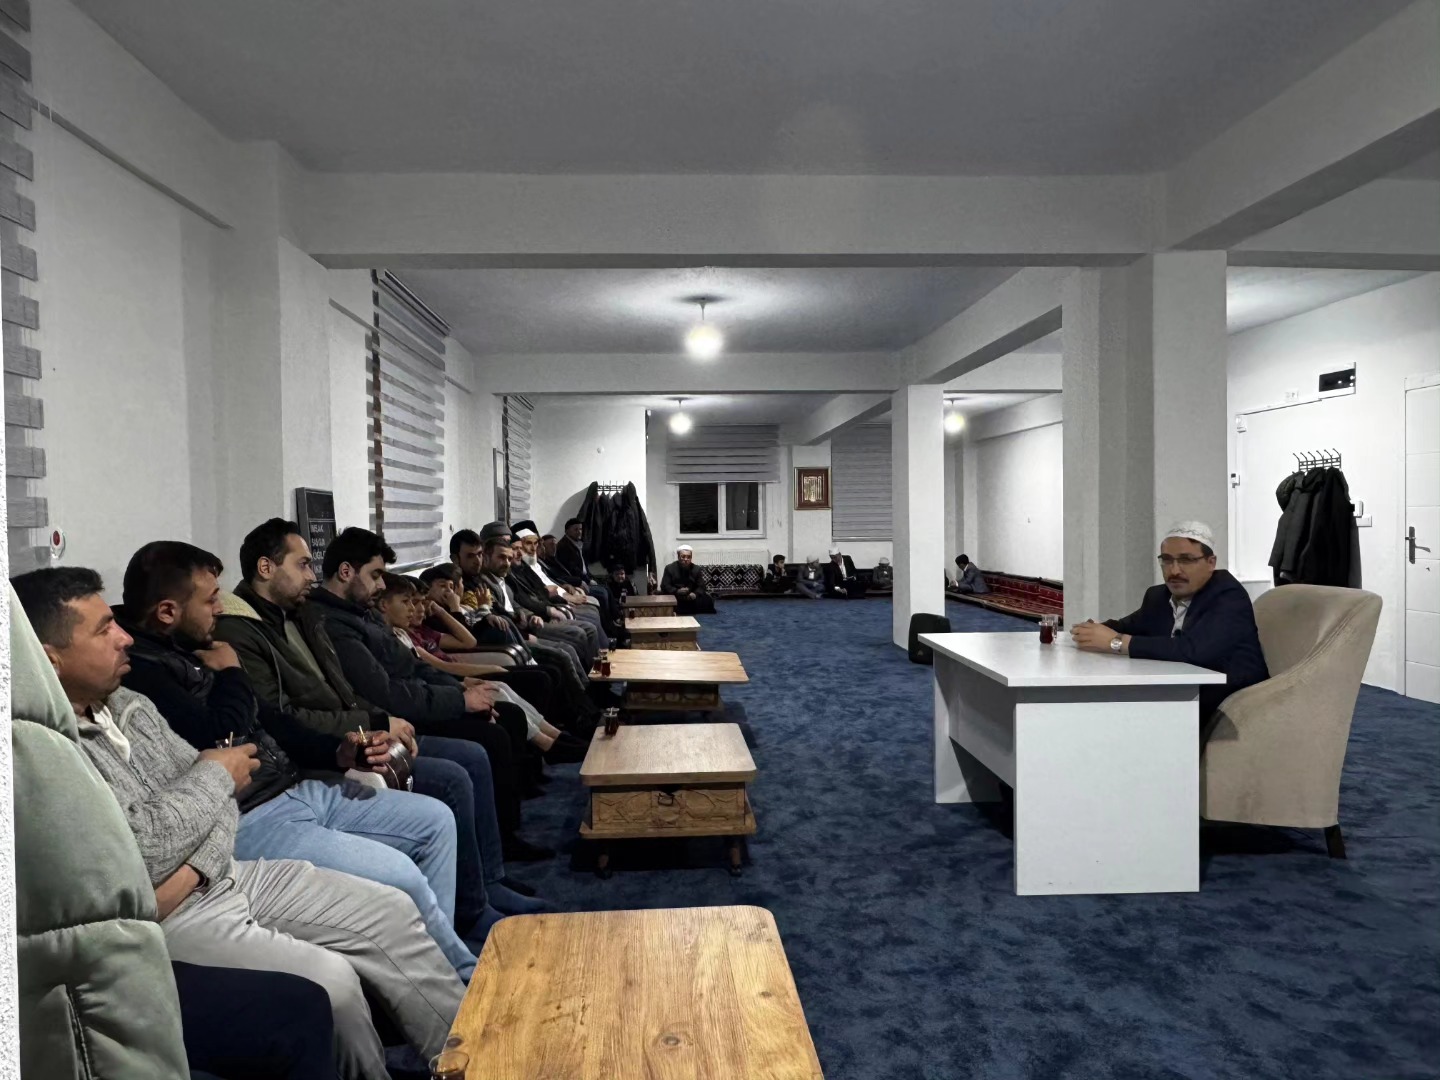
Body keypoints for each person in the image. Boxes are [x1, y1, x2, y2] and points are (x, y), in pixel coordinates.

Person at [12, 566, 464, 1080]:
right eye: (102, 630)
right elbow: (138, 858)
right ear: (48, 658)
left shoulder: (130, 703)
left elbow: (228, 797)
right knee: (332, 982)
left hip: (219, 875)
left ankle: (475, 1054)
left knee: (391, 907)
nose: (124, 637)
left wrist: (197, 854)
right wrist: (212, 779)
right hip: (176, 918)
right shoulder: (46, 753)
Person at [116, 540, 488, 974]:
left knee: (435, 820)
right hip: (251, 816)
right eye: (211, 599)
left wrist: (339, 750)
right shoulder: (146, 672)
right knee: (401, 875)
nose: (221, 608)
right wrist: (232, 672)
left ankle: (441, 958)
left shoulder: (204, 643)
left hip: (297, 784)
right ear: (167, 611)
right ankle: (459, 977)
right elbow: (217, 734)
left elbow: (273, 719)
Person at [214, 520, 552, 901]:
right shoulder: (251, 630)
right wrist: (380, 722)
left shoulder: (304, 615)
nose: (311, 575)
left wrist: (400, 716)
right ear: (266, 568)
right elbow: (287, 717)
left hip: (357, 730)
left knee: (489, 730)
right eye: (303, 564)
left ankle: (490, 877)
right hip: (319, 754)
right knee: (459, 770)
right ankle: (477, 900)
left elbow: (366, 684)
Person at [301, 527, 555, 863]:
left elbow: (413, 664)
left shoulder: (360, 613)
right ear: (346, 571)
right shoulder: (334, 623)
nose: (381, 584)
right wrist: (459, 701)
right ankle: (497, 851)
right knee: (489, 738)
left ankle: (504, 832)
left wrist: (461, 688)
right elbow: (385, 693)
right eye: (376, 575)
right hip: (396, 716)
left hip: (415, 699)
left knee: (504, 713)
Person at [1070, 521, 1269, 739]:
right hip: (1178, 697)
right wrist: (1092, 630)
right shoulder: (1158, 596)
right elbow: (1129, 625)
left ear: (1210, 563)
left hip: (1230, 708)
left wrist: (1115, 642)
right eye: (1166, 560)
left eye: (1186, 560)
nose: (1174, 571)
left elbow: (1194, 650)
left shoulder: (1228, 596)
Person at [659, 545, 716, 614]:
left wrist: (695, 594)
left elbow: (701, 586)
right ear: (678, 556)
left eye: (688, 557)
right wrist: (677, 591)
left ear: (691, 558)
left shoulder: (696, 569)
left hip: (690, 596)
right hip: (675, 595)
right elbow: (665, 585)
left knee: (708, 599)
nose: (686, 559)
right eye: (683, 556)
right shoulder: (669, 568)